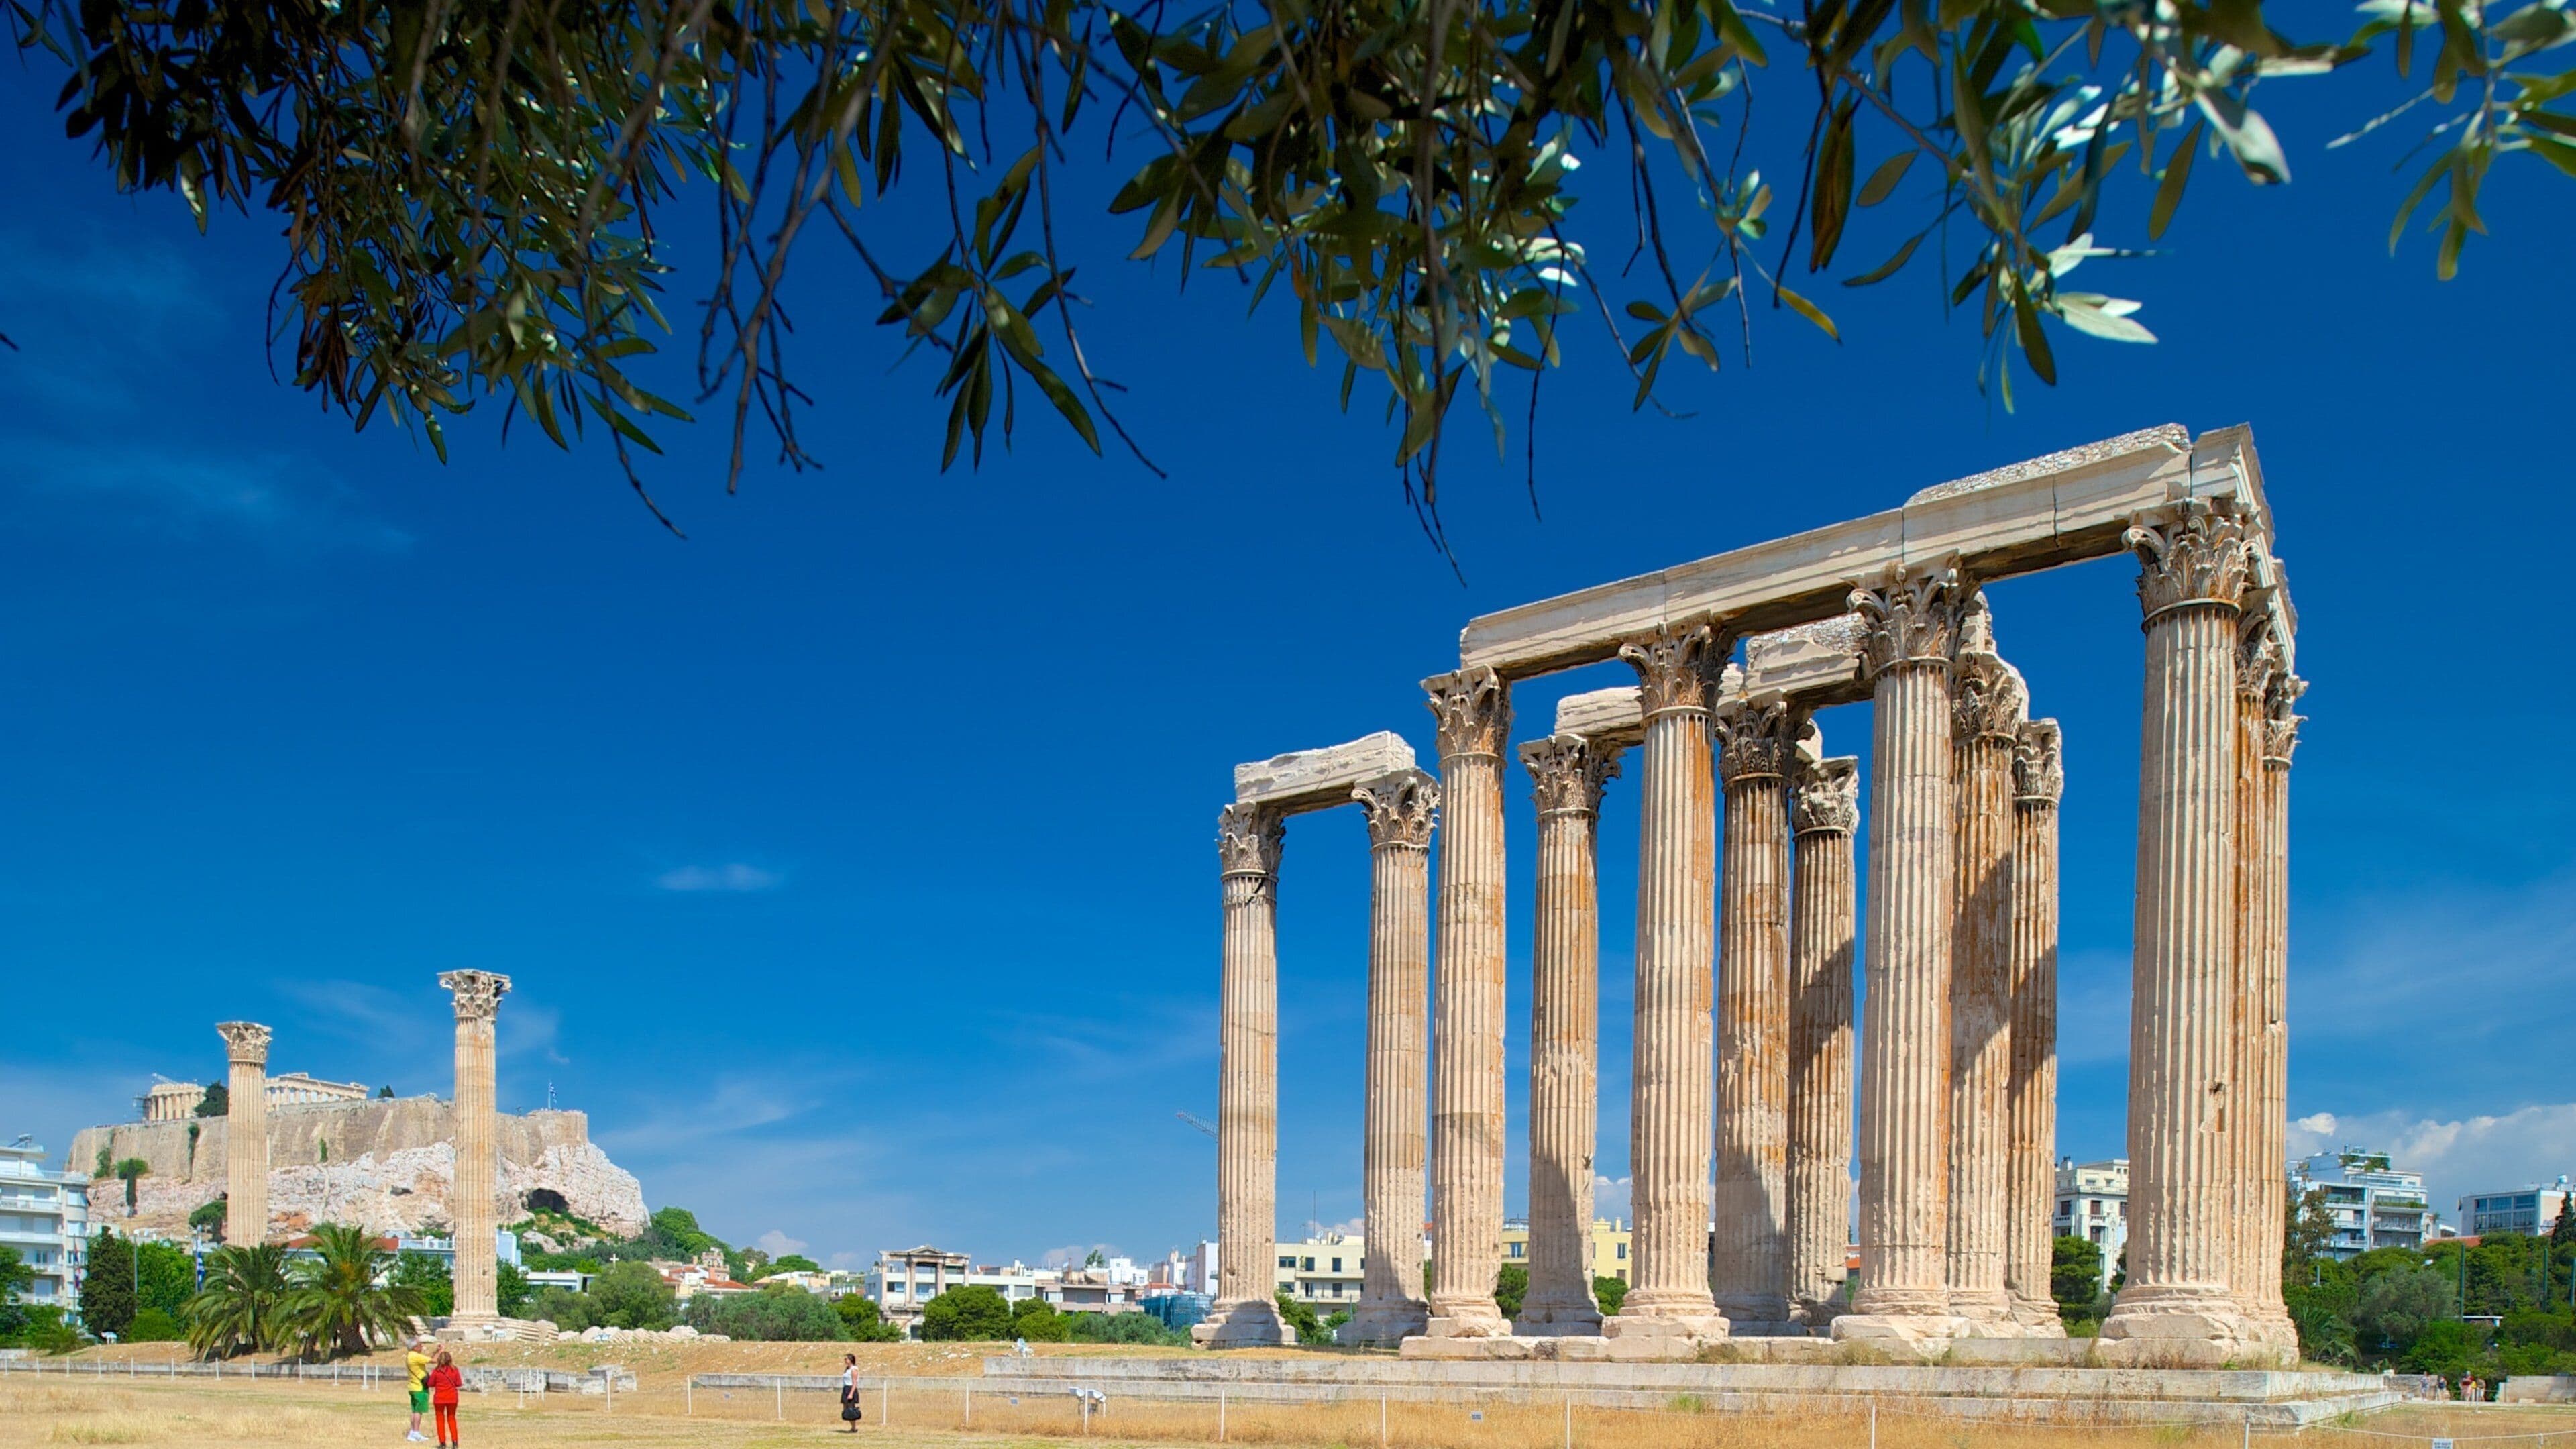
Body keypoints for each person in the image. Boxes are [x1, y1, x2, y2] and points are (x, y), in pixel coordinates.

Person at [427, 1350, 464, 1449]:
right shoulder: (455, 1370)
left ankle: (443, 1443)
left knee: (440, 1420)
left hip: (440, 1398)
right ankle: (455, 1442)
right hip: (452, 1398)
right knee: (452, 1419)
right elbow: (458, 1383)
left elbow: (430, 1384)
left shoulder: (437, 1371)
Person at [405, 1338, 434, 1442]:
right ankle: (416, 1432)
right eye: (420, 1345)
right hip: (419, 1387)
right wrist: (441, 1352)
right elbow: (433, 1361)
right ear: (415, 1347)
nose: (421, 1347)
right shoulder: (415, 1356)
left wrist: (436, 1351)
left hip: (413, 1387)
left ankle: (412, 1432)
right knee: (419, 1411)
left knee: (414, 1411)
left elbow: (428, 1358)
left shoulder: (410, 1356)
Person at [838, 1353, 862, 1434]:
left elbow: (855, 1383)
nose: (845, 1360)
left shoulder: (854, 1370)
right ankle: (853, 1427)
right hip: (846, 1389)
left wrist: (851, 1394)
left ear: (851, 1360)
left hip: (850, 1389)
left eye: (846, 1359)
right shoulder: (847, 1369)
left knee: (851, 1410)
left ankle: (854, 1428)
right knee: (846, 1411)